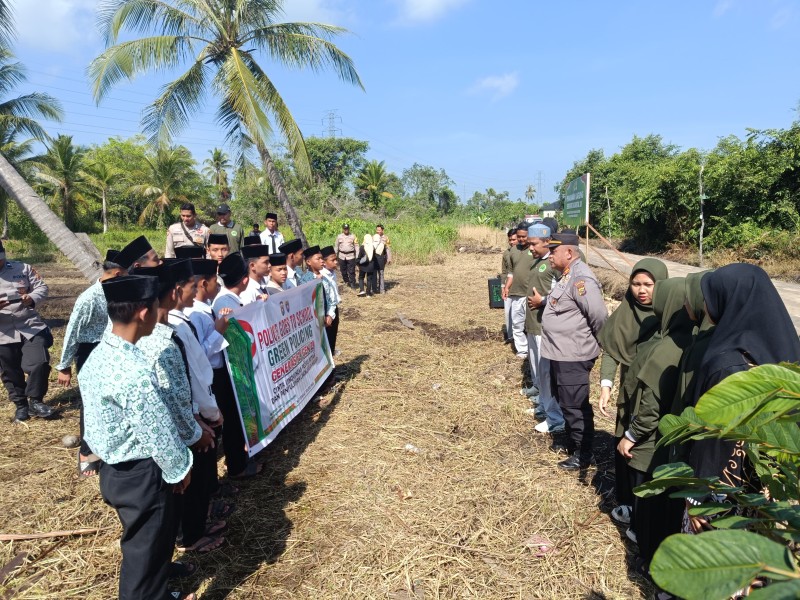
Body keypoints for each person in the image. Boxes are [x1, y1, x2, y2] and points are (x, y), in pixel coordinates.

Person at [79, 274, 195, 600]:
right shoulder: (133, 371)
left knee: (152, 538)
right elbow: (156, 428)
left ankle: (159, 580)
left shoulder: (99, 357)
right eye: (157, 306)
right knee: (144, 547)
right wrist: (178, 469)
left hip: (115, 471)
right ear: (144, 313)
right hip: (141, 474)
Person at [685, 264, 800, 533]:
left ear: (729, 299)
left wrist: (696, 497)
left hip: (728, 489)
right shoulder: (784, 349)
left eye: (712, 296)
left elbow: (713, 435)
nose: (706, 303)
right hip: (775, 484)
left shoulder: (728, 362)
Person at [616, 278, 694, 564]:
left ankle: (646, 552)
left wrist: (631, 435)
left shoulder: (665, 348)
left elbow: (650, 407)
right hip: (671, 440)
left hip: (649, 443)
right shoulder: (690, 339)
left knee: (646, 503)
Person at [596, 258, 668, 526]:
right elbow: (612, 348)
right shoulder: (626, 310)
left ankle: (645, 511)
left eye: (649, 284)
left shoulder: (671, 315)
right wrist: (606, 384)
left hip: (655, 393)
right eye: (636, 283)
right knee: (622, 442)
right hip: (630, 389)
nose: (641, 290)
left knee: (644, 446)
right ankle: (627, 502)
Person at [538, 232, 607, 470]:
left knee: (575, 404)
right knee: (565, 400)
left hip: (574, 355)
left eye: (553, 252)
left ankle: (584, 453)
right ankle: (572, 441)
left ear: (568, 253)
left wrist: (600, 343)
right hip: (560, 353)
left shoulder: (582, 279)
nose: (549, 257)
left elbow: (598, 315)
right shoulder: (566, 275)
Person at [56, 250, 126, 477]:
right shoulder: (89, 297)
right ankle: (87, 453)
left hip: (113, 349)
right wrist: (64, 366)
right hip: (90, 351)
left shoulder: (119, 292)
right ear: (116, 274)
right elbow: (73, 331)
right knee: (91, 402)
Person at [211, 253, 262, 480]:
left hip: (233, 369)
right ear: (244, 280)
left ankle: (242, 457)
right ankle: (237, 466)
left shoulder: (231, 300)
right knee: (232, 419)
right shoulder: (224, 304)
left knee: (237, 416)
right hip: (225, 372)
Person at [0, 240, 55, 422]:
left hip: (30, 326)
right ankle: (21, 406)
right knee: (10, 372)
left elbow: (42, 287)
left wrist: (30, 298)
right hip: (3, 333)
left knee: (39, 362)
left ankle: (36, 401)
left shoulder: (22, 268)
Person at [523, 224, 565, 435]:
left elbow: (563, 296)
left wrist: (543, 302)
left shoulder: (553, 264)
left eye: (533, 244)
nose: (529, 247)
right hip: (533, 325)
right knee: (538, 373)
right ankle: (543, 406)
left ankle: (556, 418)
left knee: (547, 374)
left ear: (547, 242)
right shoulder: (537, 262)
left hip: (544, 328)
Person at [503, 222, 534, 358]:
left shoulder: (534, 250)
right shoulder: (513, 251)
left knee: (532, 324)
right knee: (517, 323)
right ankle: (522, 350)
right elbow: (511, 272)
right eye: (519, 237)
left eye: (524, 237)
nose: (521, 239)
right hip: (516, 293)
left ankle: (533, 349)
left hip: (530, 293)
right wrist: (506, 287)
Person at [320, 246, 341, 354]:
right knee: (327, 339)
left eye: (336, 259)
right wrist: (329, 314)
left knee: (332, 339)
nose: (336, 262)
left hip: (334, 309)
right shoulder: (322, 276)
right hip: (327, 314)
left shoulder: (332, 273)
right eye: (332, 260)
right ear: (323, 262)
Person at [501, 228, 517, 343]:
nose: (512, 242)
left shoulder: (526, 252)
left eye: (514, 239)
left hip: (521, 287)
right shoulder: (506, 253)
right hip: (508, 286)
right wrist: (503, 286)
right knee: (508, 312)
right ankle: (510, 336)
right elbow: (504, 271)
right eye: (510, 240)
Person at [335, 223, 357, 289]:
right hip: (342, 256)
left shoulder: (353, 236)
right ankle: (346, 281)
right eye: (345, 229)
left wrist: (358, 256)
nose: (346, 230)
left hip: (351, 256)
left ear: (349, 229)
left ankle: (353, 283)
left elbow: (356, 246)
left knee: (351, 271)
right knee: (343, 270)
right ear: (343, 229)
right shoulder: (339, 236)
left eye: (347, 229)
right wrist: (335, 255)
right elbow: (336, 246)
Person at [374, 224, 392, 293]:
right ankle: (374, 289)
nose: (378, 231)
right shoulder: (373, 237)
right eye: (377, 230)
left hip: (382, 258)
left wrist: (389, 258)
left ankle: (382, 289)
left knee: (381, 273)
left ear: (382, 230)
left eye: (379, 230)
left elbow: (388, 249)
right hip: (374, 258)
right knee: (374, 274)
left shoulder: (386, 238)